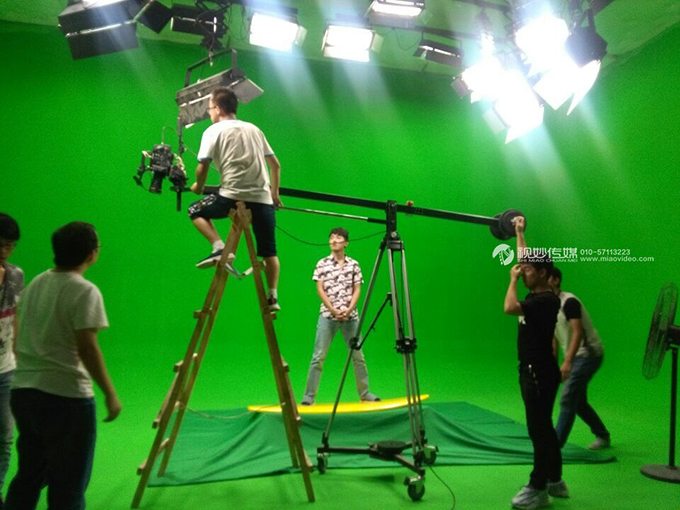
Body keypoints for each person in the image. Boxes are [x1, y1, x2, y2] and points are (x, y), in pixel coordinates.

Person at [5, 222, 121, 510]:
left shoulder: (36, 283)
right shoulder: (85, 291)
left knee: (29, 475)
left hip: (24, 393)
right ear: (92, 254)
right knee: (69, 485)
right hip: (66, 398)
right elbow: (87, 348)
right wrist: (109, 393)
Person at [188, 87, 282, 312]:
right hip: (262, 200)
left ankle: (219, 247)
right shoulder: (254, 129)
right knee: (269, 252)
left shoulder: (212, 131)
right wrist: (274, 194)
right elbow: (275, 165)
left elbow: (202, 167)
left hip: (231, 197)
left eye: (210, 108)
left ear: (219, 109)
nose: (209, 113)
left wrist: (198, 187)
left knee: (194, 210)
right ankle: (273, 297)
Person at [504, 216, 567, 510]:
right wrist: (519, 232)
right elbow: (524, 258)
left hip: (538, 373)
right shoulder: (538, 290)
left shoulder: (545, 300)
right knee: (543, 428)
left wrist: (512, 280)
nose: (522, 271)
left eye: (527, 270)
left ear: (542, 273)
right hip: (537, 370)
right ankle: (555, 479)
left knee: (538, 431)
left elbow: (509, 307)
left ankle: (538, 487)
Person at [301, 228, 380, 406]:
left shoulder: (354, 265)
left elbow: (357, 289)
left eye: (338, 238)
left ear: (346, 243)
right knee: (318, 357)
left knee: (358, 357)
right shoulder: (322, 264)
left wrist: (349, 309)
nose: (334, 240)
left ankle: (365, 393)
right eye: (331, 238)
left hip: (351, 319)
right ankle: (309, 397)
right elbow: (320, 289)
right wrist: (333, 310)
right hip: (327, 317)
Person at [549, 267, 610, 450]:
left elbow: (578, 332)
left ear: (556, 280)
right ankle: (602, 435)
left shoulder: (569, 302)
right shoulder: (547, 305)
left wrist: (567, 361)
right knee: (579, 402)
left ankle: (554, 448)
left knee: (568, 398)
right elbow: (553, 337)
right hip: (574, 356)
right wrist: (553, 365)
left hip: (588, 355)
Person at [0, 214, 23, 508]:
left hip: (6, 369)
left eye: (11, 245)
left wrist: (16, 355)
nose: (6, 251)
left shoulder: (16, 275)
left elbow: (14, 316)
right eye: (1, 244)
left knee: (5, 438)